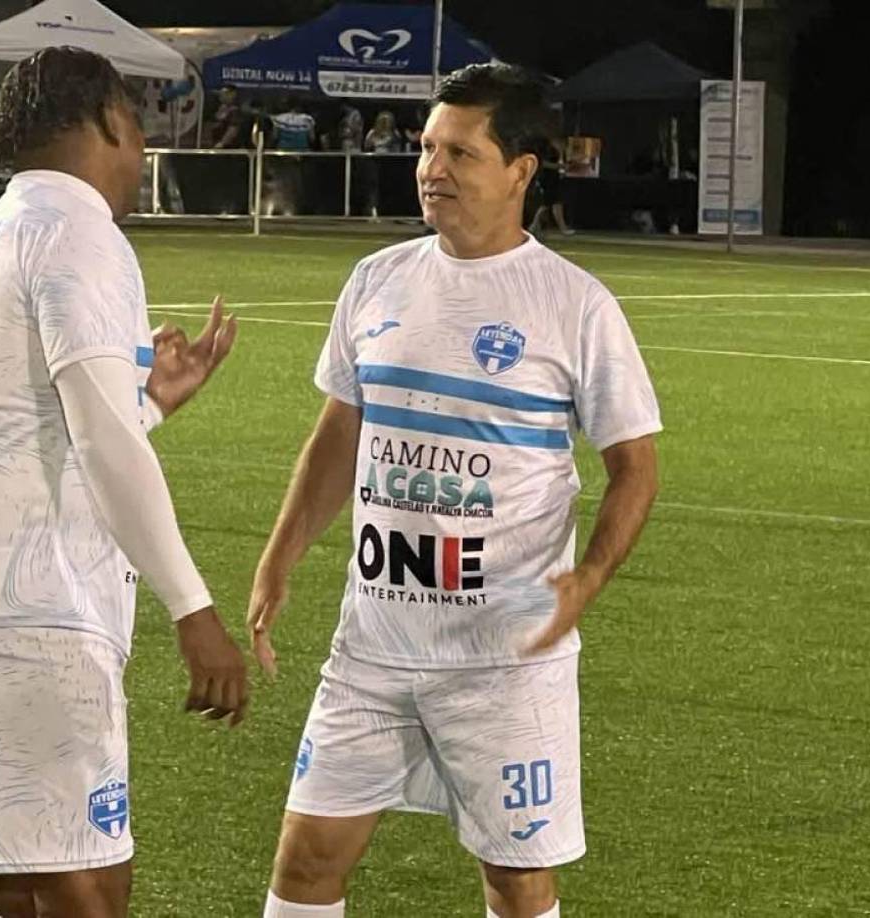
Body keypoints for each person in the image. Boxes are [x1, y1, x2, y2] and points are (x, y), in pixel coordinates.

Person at [248, 63, 662, 918]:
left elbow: (636, 466)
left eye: (460, 153)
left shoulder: (575, 306)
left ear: (520, 171)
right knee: (306, 858)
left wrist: (587, 579)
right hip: (373, 645)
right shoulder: (377, 279)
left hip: (502, 659)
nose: (432, 169)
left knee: (515, 880)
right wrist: (281, 555)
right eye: (427, 148)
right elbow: (339, 433)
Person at [0, 46, 249, 918]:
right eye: (137, 123)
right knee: (88, 887)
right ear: (106, 120)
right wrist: (194, 608)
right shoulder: (79, 230)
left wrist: (151, 405)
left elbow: (36, 426)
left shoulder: (3, 231)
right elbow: (101, 440)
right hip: (37, 606)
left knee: (7, 884)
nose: (141, 151)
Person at [528, 138, 575, 237]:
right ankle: (562, 228)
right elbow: (544, 164)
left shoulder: (559, 153)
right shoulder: (548, 151)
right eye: (562, 143)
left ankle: (534, 226)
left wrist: (562, 167)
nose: (563, 145)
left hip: (554, 179)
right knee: (553, 203)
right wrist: (559, 166)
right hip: (547, 179)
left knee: (550, 204)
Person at [362, 110, 401, 218]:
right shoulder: (372, 133)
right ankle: (372, 210)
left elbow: (397, 149)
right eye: (383, 120)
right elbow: (366, 147)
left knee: (387, 187)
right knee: (373, 187)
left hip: (389, 163)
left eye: (387, 120)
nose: (385, 123)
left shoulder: (395, 134)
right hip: (374, 162)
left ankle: (388, 211)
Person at [211, 84, 244, 148]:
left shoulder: (235, 111)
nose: (221, 96)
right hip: (216, 143)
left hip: (228, 147)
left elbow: (233, 129)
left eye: (224, 94)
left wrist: (222, 143)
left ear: (232, 95)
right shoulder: (221, 107)